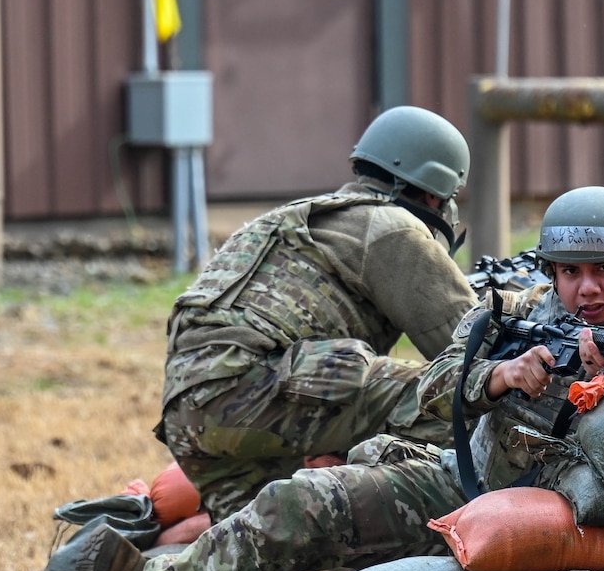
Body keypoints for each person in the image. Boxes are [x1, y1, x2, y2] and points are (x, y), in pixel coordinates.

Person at [26, 187, 604, 571]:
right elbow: (433, 390)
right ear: (550, 273)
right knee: (303, 502)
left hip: (553, 508)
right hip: (464, 482)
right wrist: (496, 375)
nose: (586, 289)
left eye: (601, 272)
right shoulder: (512, 314)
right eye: (570, 273)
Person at [155, 105, 478, 524]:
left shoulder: (296, 219)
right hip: (257, 390)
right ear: (435, 194)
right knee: (459, 403)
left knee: (257, 555)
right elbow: (471, 350)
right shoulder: (392, 228)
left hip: (187, 414)